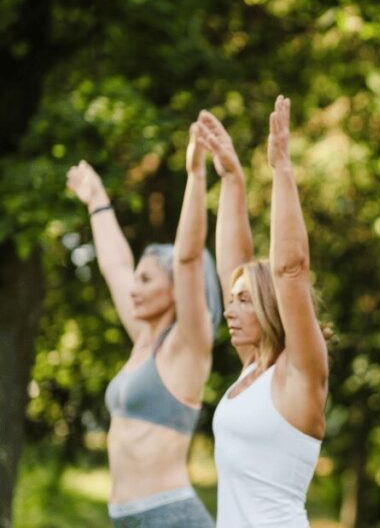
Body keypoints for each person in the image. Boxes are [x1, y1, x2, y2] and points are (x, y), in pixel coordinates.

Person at [65, 123, 221, 527]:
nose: (133, 287)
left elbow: (187, 260)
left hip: (169, 517)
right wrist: (97, 201)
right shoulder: (143, 341)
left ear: (177, 293)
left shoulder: (187, 347)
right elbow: (115, 265)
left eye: (147, 279)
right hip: (127, 518)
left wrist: (197, 176)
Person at [198, 96, 329, 527]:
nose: (230, 310)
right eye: (230, 301)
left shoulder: (299, 373)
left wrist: (281, 170)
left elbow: (290, 271)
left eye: (244, 301)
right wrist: (232, 180)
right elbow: (233, 268)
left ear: (271, 309)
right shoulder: (251, 371)